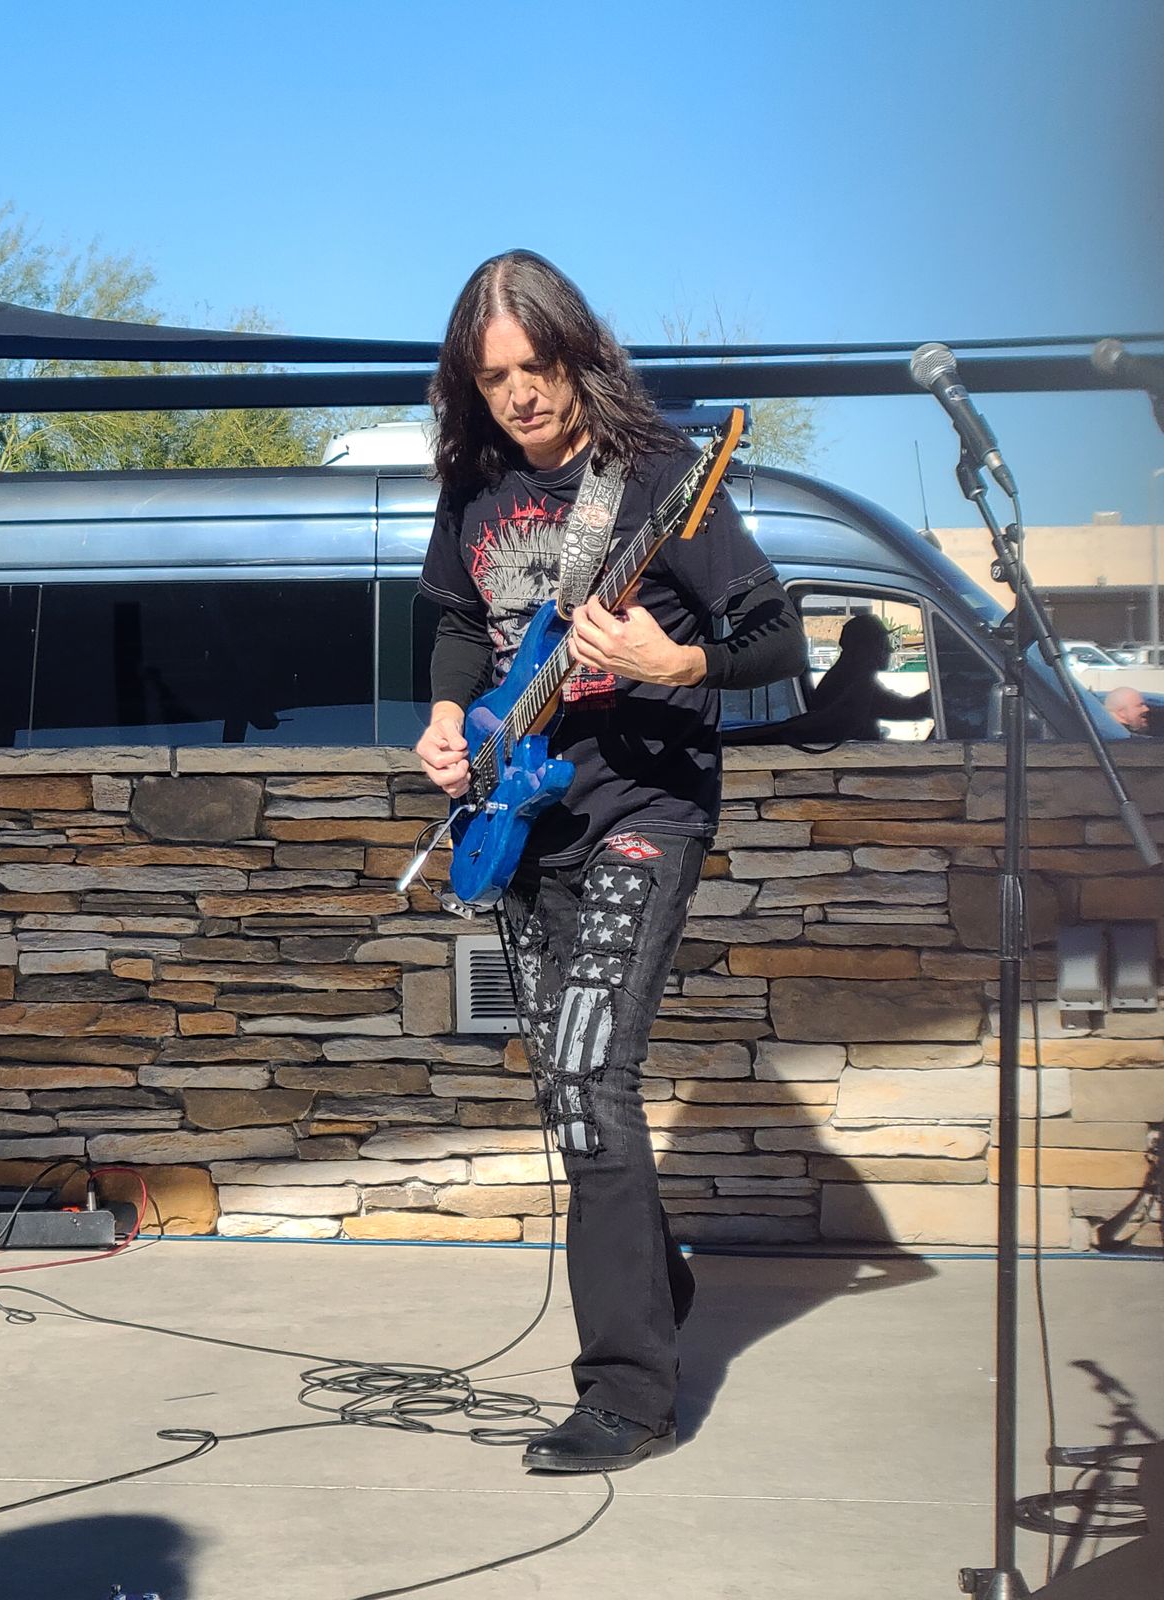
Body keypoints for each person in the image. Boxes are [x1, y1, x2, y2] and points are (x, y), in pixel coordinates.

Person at [415, 250, 805, 1473]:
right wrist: (447, 716)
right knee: (568, 1090)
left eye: (537, 367)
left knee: (591, 1074)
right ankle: (653, 1278)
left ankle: (629, 1394)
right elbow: (455, 621)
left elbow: (777, 636)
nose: (521, 396)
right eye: (495, 379)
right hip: (523, 815)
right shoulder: (475, 485)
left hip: (647, 806)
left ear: (579, 354)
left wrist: (676, 662)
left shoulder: (663, 476)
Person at [802, 612, 932, 740]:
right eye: (883, 644)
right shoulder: (855, 684)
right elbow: (909, 710)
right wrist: (936, 696)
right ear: (864, 648)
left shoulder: (847, 676)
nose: (890, 649)